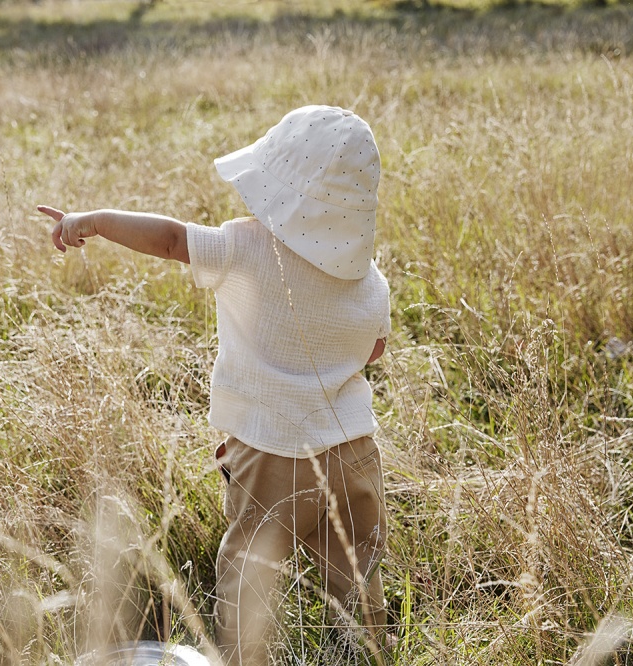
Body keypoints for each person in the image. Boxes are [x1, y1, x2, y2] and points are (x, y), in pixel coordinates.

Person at [38, 104, 391, 665]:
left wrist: (97, 220)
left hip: (271, 453)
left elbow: (174, 241)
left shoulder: (245, 248)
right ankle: (366, 650)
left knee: (251, 570)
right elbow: (372, 350)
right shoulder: (371, 283)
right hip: (354, 452)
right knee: (357, 571)